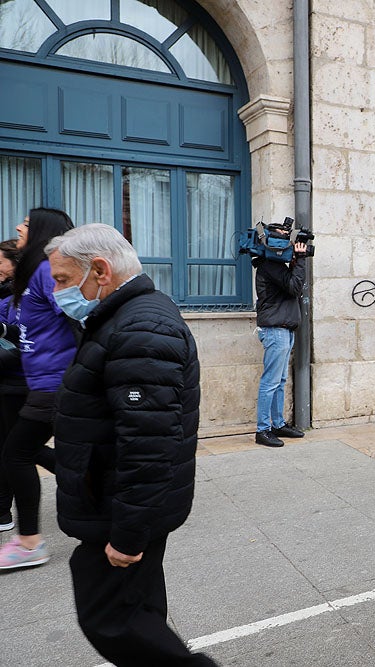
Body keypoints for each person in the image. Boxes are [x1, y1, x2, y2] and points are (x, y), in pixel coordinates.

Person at [47, 224, 217, 666]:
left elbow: (149, 445)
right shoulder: (124, 317)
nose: (58, 291)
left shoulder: (141, 327)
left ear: (99, 270)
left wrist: (127, 534)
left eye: (63, 279)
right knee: (138, 609)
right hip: (114, 498)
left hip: (117, 507)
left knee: (111, 617)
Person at [0, 208, 76, 571]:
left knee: (15, 453)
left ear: (44, 232)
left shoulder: (48, 272)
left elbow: (82, 317)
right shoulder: (32, 275)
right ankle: (100, 485)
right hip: (40, 383)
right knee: (23, 451)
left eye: (27, 224)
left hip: (55, 383)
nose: (18, 227)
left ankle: (29, 542)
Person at [253, 227, 309, 447]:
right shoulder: (270, 266)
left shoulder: (278, 267)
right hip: (276, 331)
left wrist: (295, 263)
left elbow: (292, 288)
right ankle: (263, 430)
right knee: (270, 382)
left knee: (280, 381)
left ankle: (277, 423)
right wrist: (301, 261)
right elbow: (295, 286)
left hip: (283, 330)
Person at [0, 239, 26, 533]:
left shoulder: (22, 298)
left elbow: (20, 340)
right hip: (7, 382)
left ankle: (88, 479)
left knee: (18, 449)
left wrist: (4, 329)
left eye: (0, 263)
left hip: (18, 382)